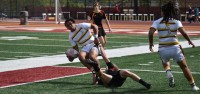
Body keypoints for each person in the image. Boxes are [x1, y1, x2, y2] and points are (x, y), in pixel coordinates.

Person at [148, 1, 199, 91]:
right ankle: (193, 86)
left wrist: (151, 43)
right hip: (175, 48)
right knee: (184, 67)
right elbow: (183, 32)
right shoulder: (176, 21)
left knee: (164, 60)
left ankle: (168, 72)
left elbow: (151, 32)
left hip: (163, 49)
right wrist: (189, 41)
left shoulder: (157, 22)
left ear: (163, 12)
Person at [65, 18, 115, 84]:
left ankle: (99, 73)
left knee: (92, 57)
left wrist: (96, 37)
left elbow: (95, 26)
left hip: (93, 43)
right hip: (85, 47)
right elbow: (76, 49)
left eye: (70, 24)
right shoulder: (70, 36)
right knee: (81, 56)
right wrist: (72, 56)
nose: (70, 26)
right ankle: (93, 70)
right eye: (67, 26)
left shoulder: (81, 25)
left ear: (74, 23)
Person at [86, 60, 151, 89]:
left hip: (117, 77)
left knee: (126, 72)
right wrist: (94, 72)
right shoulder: (102, 77)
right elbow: (95, 82)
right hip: (111, 82)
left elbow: (117, 69)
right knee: (102, 75)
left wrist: (111, 66)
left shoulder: (111, 69)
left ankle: (145, 84)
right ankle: (95, 66)